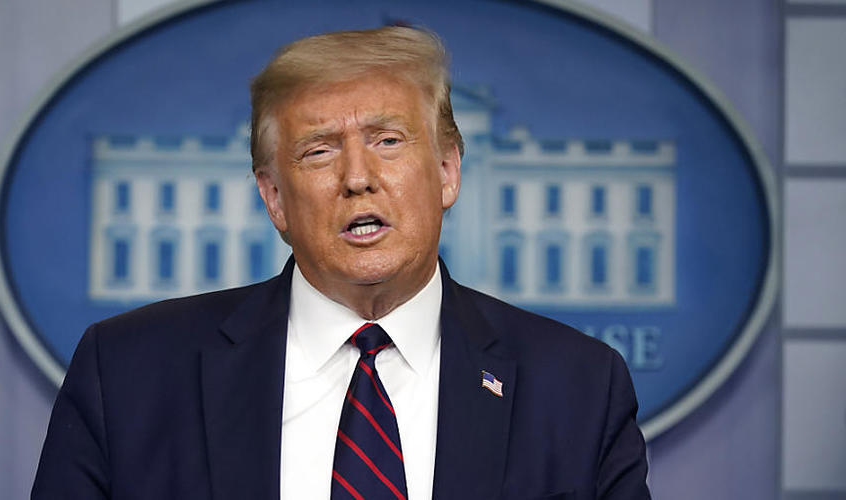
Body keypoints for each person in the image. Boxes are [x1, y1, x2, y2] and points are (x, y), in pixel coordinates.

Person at [32, 27, 650, 500]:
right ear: (274, 197)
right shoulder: (127, 375)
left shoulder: (579, 387)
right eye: (320, 151)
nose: (358, 178)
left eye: (387, 140)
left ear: (446, 172)